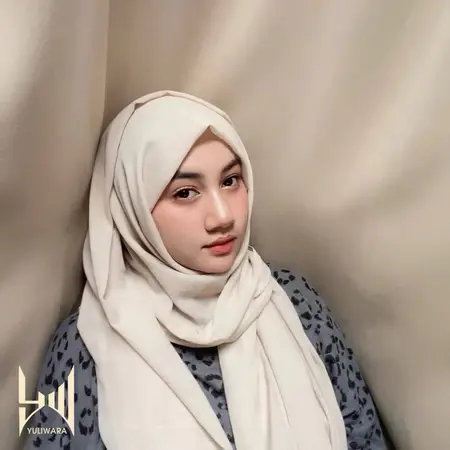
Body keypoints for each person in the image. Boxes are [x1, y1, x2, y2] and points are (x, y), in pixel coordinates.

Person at [25, 91, 388, 450]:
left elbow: (365, 437)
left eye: (230, 181)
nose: (223, 217)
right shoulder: (81, 347)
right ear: (132, 207)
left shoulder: (294, 301)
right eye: (185, 192)